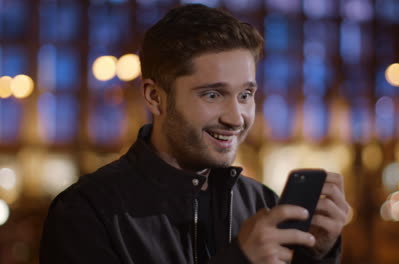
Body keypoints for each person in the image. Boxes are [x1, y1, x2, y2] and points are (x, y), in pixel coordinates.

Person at [40, 4, 349, 264]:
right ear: (154, 97)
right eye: (213, 95)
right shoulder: (86, 212)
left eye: (245, 95)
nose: (235, 118)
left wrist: (316, 253)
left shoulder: (262, 203)